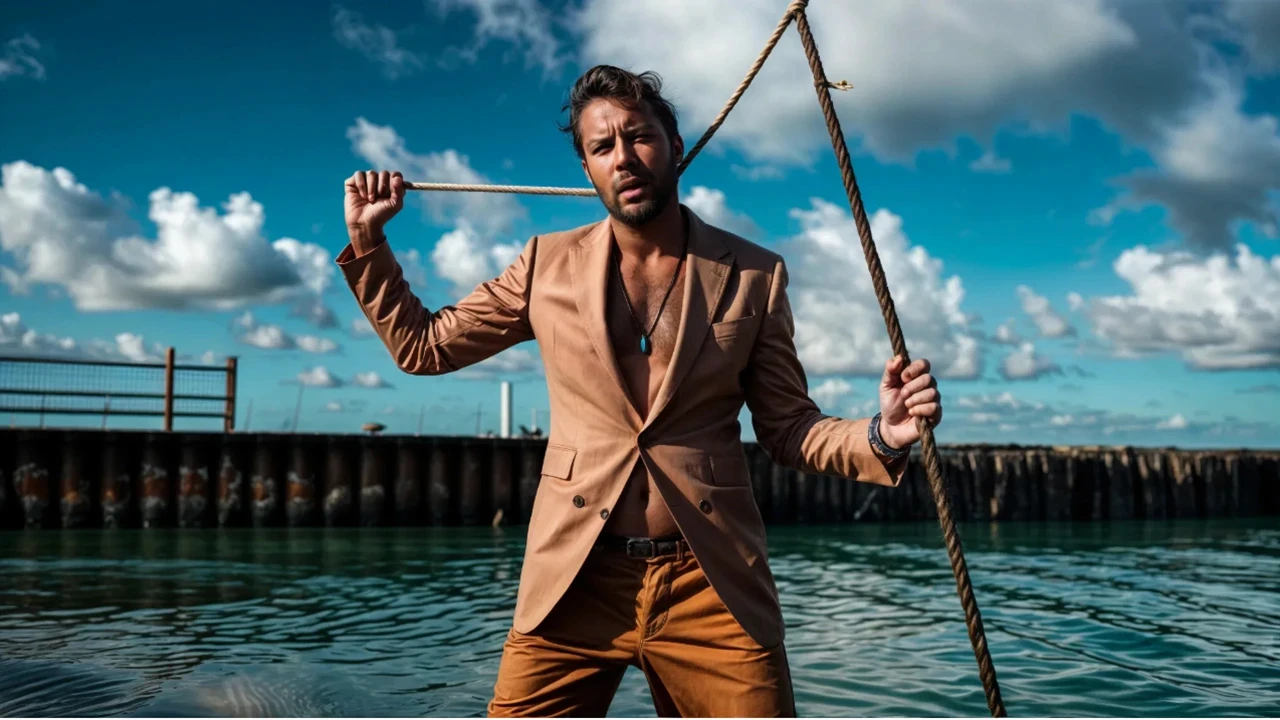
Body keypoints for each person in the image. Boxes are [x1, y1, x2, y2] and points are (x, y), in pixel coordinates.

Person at [337, 65, 943, 718]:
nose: (624, 158)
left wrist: (883, 433)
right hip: (573, 578)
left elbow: (788, 427)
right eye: (603, 147)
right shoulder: (543, 265)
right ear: (588, 170)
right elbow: (424, 348)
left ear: (676, 147)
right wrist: (370, 241)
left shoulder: (754, 274)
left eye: (639, 137)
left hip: (711, 585)